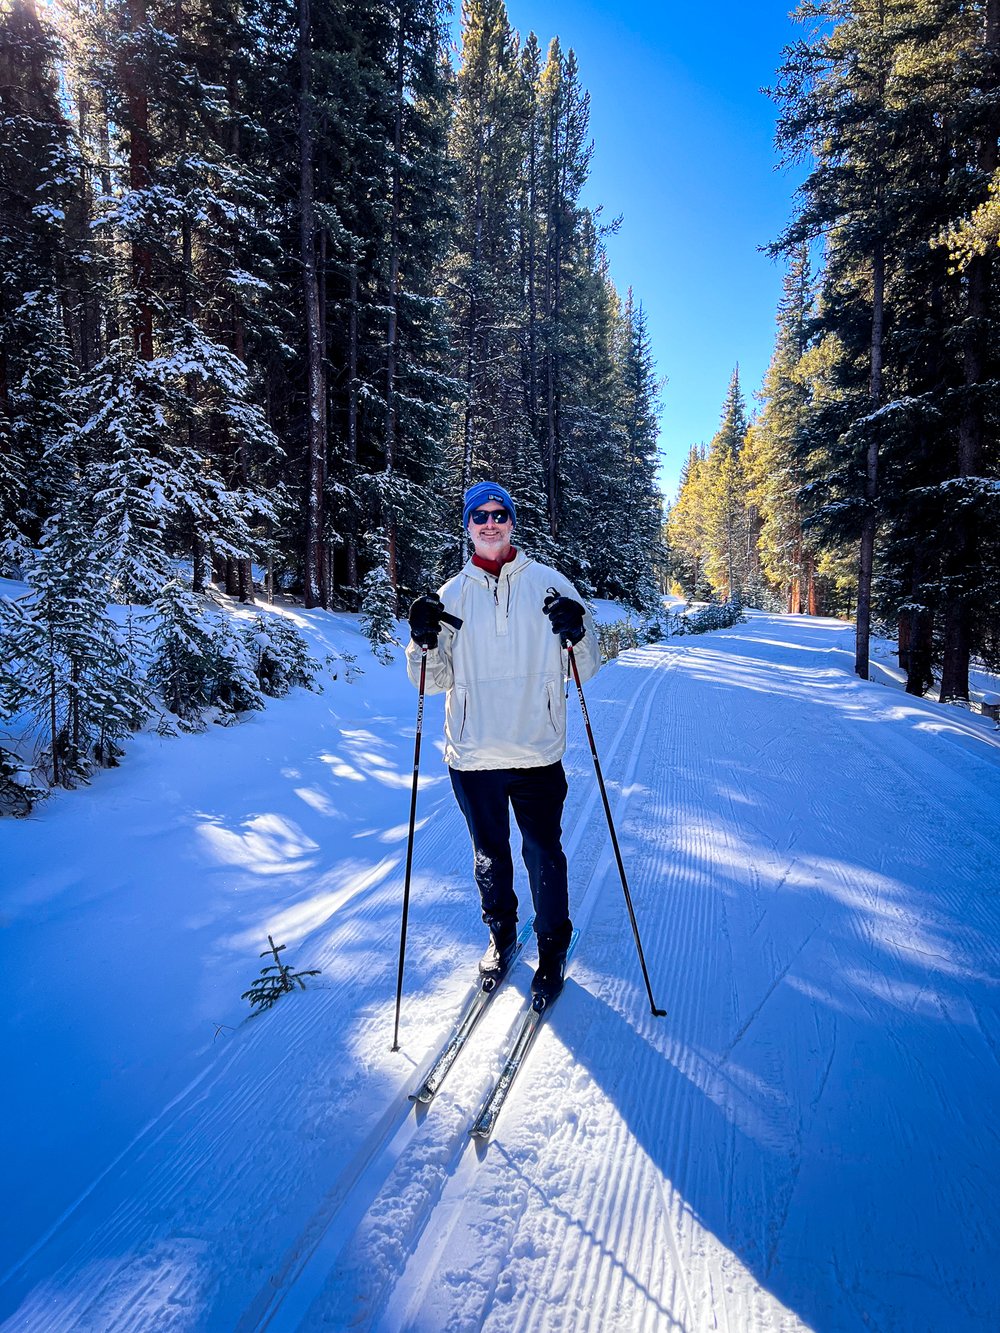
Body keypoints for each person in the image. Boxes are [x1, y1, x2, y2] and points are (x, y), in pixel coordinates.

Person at [405, 481, 601, 1001]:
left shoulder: (551, 584)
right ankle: (501, 936)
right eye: (479, 516)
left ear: (513, 521)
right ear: (467, 526)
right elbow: (430, 681)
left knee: (543, 852)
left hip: (537, 748)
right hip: (473, 755)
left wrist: (578, 634)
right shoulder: (448, 596)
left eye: (499, 514)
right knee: (489, 855)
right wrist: (420, 640)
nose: (490, 523)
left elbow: (586, 667)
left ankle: (553, 943)